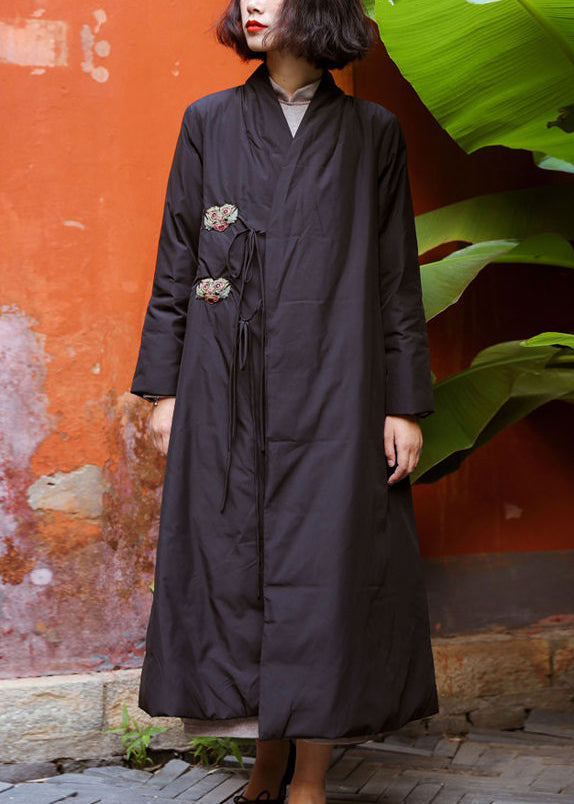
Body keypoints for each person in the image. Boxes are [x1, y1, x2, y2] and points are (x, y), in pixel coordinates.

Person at [129, 0, 439, 802]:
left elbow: (395, 276)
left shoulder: (372, 132)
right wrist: (164, 389)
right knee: (239, 563)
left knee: (327, 568)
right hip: (226, 383)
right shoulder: (209, 122)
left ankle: (310, 775)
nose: (253, 4)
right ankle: (264, 757)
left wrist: (403, 404)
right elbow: (179, 256)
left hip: (340, 387)